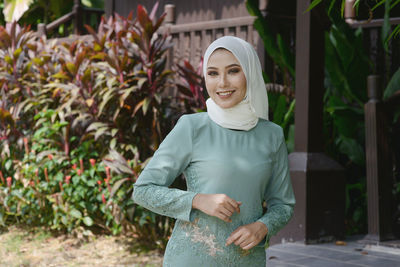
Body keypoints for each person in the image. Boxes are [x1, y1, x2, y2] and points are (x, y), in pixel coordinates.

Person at [132, 36, 295, 267]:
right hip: (190, 259)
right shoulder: (192, 127)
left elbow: (283, 204)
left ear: (250, 72)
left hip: (248, 260)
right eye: (213, 73)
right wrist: (198, 200)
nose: (222, 83)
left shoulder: (272, 135)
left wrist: (262, 227)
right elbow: (143, 191)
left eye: (233, 71)